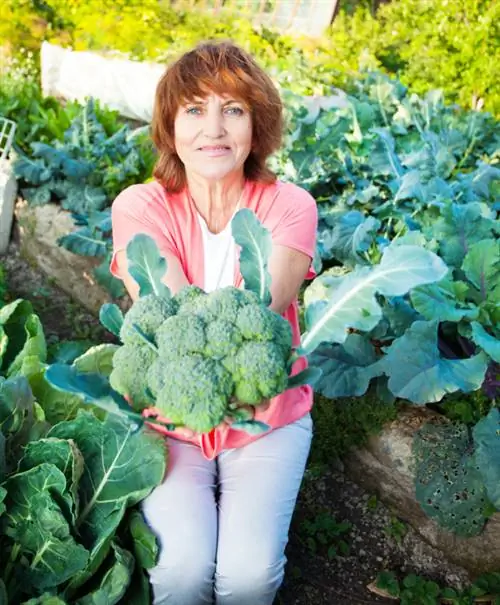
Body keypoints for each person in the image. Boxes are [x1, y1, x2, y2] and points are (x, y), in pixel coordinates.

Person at [110, 40, 318, 605]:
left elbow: (258, 314)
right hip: (170, 411)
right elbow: (178, 326)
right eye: (195, 110)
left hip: (267, 411)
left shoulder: (290, 205)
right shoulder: (139, 206)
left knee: (247, 578)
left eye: (233, 109)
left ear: (256, 125)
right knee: (180, 573)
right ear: (170, 126)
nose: (214, 128)